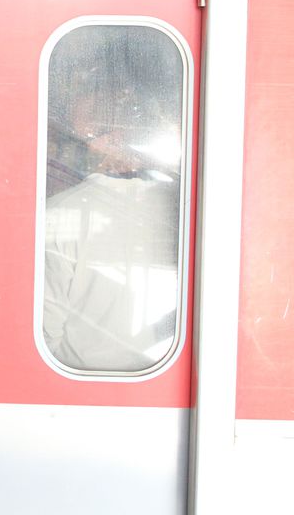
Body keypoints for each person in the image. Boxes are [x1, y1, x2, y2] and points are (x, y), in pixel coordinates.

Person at [42, 52, 183, 372]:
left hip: (74, 385)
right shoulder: (180, 206)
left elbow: (45, 333)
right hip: (162, 377)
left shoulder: (59, 216)